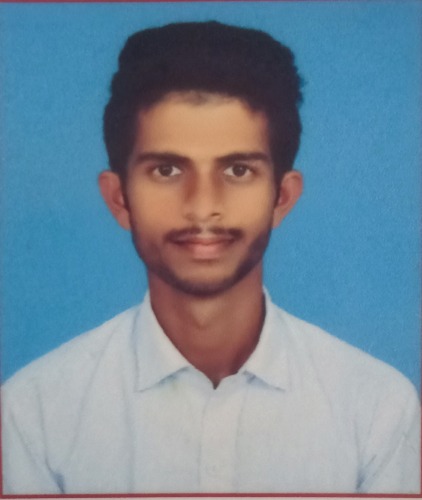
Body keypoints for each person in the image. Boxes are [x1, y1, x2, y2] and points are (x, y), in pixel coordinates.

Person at [1, 21, 419, 495]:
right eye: (167, 169)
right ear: (119, 198)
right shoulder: (34, 416)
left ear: (282, 197)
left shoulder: (377, 411)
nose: (202, 207)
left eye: (238, 170)